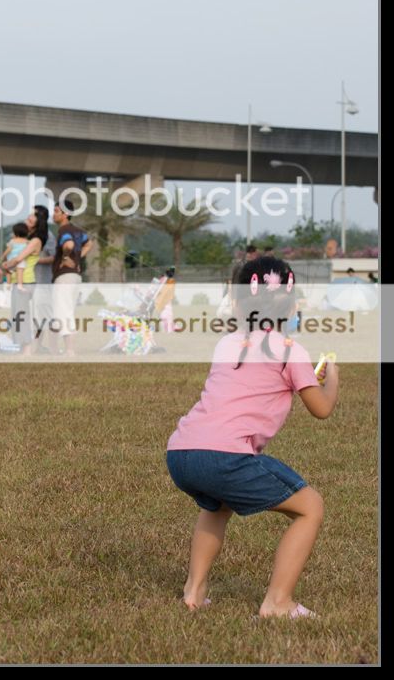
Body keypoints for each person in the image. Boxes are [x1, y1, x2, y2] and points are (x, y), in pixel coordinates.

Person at [165, 256, 339, 619]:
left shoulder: (227, 343)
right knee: (311, 508)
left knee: (216, 505)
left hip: (182, 452)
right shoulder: (292, 352)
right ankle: (278, 602)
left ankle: (194, 591)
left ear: (238, 301)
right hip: (225, 456)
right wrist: (332, 376)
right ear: (293, 306)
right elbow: (321, 409)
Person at [51, 199, 93, 356]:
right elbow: (89, 244)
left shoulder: (64, 230)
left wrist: (65, 257)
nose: (53, 214)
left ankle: (69, 350)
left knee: (64, 312)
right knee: (66, 311)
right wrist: (78, 259)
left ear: (65, 214)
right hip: (75, 276)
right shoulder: (78, 230)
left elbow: (68, 245)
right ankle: (61, 349)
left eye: (56, 211)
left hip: (65, 277)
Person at [3, 210, 48, 354]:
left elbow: (19, 258)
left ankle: (27, 350)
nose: (28, 219)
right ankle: (24, 348)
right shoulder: (27, 240)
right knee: (17, 315)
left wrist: (6, 265)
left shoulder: (35, 241)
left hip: (26, 280)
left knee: (22, 315)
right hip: (19, 280)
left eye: (32, 218)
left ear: (37, 223)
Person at [32, 204, 57, 352]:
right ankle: (36, 347)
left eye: (33, 215)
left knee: (47, 317)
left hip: (43, 282)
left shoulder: (49, 236)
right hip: (33, 283)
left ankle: (54, 349)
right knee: (36, 318)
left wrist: (36, 261)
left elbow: (54, 257)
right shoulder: (33, 235)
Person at [2, 224, 30, 291]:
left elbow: (8, 250)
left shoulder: (12, 241)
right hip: (19, 260)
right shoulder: (27, 242)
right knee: (20, 270)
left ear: (15, 233)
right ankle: (19, 285)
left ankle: (8, 284)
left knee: (8, 272)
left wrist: (3, 256)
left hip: (10, 261)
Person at [155, 267, 176, 333]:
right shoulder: (165, 280)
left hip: (165, 301)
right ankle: (168, 328)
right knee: (164, 315)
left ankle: (169, 328)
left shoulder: (169, 281)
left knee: (166, 315)